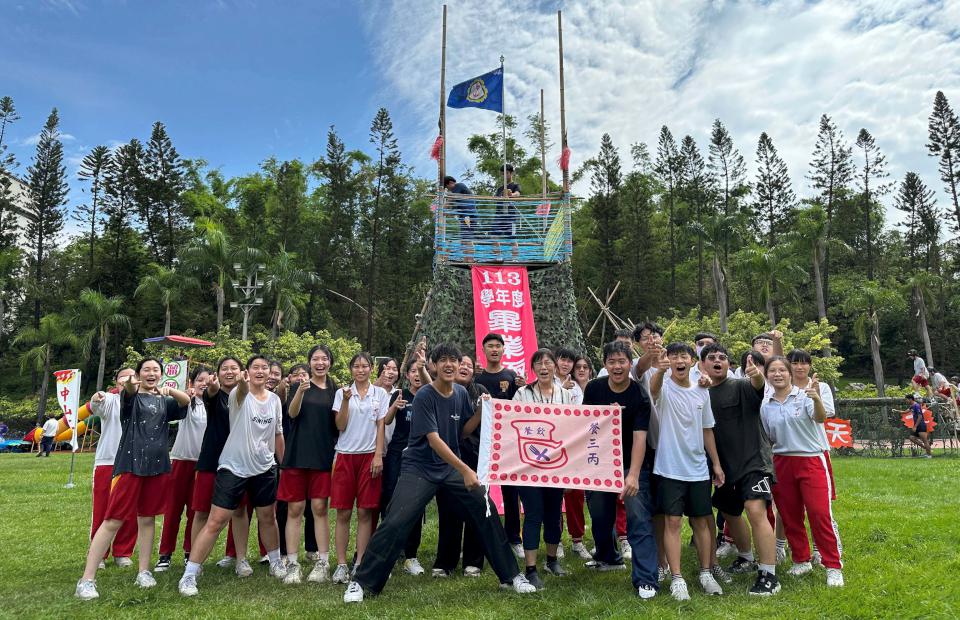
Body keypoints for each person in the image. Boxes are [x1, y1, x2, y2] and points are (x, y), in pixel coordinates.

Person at [342, 343, 537, 603]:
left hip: (448, 468)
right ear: (433, 366)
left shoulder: (459, 393)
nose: (449, 365)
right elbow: (433, 439)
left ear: (459, 365)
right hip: (420, 467)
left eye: (453, 360)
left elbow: (464, 431)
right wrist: (466, 469)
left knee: (486, 509)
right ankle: (361, 582)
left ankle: (511, 576)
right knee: (396, 521)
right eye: (442, 360)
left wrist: (481, 411)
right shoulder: (425, 395)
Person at [76, 358, 190, 600]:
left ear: (161, 375)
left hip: (158, 466)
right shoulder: (129, 399)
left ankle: (144, 571)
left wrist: (170, 390)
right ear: (139, 374)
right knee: (113, 519)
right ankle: (87, 579)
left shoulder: (164, 401)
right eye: (146, 370)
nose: (151, 374)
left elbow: (186, 402)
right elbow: (127, 390)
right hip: (130, 465)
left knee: (147, 519)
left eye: (155, 370)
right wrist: (130, 384)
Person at [178, 355, 286, 597]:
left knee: (268, 517)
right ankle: (190, 574)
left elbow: (278, 434)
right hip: (233, 467)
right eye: (254, 368)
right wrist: (243, 382)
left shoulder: (276, 401)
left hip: (265, 467)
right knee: (216, 520)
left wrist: (283, 463)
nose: (260, 371)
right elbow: (238, 390)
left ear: (270, 372)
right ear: (246, 372)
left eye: (264, 368)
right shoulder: (239, 395)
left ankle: (277, 561)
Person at [700, 344, 781, 596]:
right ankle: (746, 557)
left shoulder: (741, 385)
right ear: (702, 365)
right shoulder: (700, 394)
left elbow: (757, 385)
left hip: (754, 462)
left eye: (722, 358)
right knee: (729, 512)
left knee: (755, 510)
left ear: (728, 364)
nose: (717, 361)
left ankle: (769, 574)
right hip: (723, 466)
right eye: (711, 358)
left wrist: (756, 373)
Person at [583, 340, 658, 600]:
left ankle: (646, 578)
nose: (617, 366)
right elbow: (586, 426)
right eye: (612, 362)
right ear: (605, 365)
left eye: (622, 361)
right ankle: (608, 556)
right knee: (601, 515)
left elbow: (640, 437)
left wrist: (634, 475)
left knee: (639, 519)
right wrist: (606, 416)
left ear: (630, 364)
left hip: (632, 462)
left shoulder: (639, 395)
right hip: (601, 462)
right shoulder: (593, 389)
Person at [649, 343, 725, 600]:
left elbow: (707, 429)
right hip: (669, 467)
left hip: (698, 468)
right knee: (671, 521)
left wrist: (715, 463)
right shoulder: (664, 387)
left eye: (684, 356)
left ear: (693, 361)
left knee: (702, 521)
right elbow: (654, 390)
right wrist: (659, 371)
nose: (679, 360)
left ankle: (705, 572)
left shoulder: (702, 391)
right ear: (668, 360)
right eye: (674, 356)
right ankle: (677, 578)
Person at [761, 356, 844, 588]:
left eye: (782, 370)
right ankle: (801, 559)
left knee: (819, 514)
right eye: (772, 371)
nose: (778, 374)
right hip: (782, 462)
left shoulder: (804, 395)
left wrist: (816, 399)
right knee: (790, 515)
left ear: (790, 373)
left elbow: (820, 417)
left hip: (811, 460)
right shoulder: (766, 405)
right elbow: (768, 438)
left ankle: (833, 566)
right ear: (767, 376)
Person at [510, 349, 573, 589]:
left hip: (557, 467)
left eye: (548, 362)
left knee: (554, 514)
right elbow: (510, 423)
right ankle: (531, 568)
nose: (544, 367)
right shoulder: (521, 393)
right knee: (534, 513)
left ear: (555, 367)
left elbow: (574, 429)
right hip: (528, 466)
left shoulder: (566, 395)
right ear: (533, 368)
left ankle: (552, 560)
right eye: (538, 363)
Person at [277, 345, 339, 584]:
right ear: (309, 362)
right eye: (315, 359)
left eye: (324, 359)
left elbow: (339, 424)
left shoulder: (335, 390)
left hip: (322, 456)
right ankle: (292, 564)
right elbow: (292, 414)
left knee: (320, 509)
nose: (320, 362)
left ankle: (323, 562)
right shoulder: (298, 386)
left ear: (330, 363)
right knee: (294, 509)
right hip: (296, 456)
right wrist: (301, 391)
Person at [191, 357, 257, 574]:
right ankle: (194, 560)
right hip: (211, 459)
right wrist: (212, 387)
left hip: (238, 462)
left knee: (239, 511)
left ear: (241, 372)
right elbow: (210, 393)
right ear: (217, 374)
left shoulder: (248, 396)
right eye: (224, 369)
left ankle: (241, 559)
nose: (229, 372)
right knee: (201, 512)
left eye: (234, 368)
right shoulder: (214, 394)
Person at [330, 352, 388, 583]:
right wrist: (345, 400)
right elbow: (340, 425)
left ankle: (360, 562)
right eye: (356, 366)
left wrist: (378, 456)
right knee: (343, 511)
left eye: (365, 366)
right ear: (351, 369)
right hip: (345, 456)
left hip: (369, 457)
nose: (361, 370)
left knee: (365, 511)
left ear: (372, 369)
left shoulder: (380, 394)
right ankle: (342, 563)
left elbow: (381, 425)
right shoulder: (341, 393)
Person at [434, 353, 489, 576]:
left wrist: (484, 409)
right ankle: (445, 561)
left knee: (476, 505)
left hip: (477, 457)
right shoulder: (443, 393)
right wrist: (478, 413)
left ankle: (473, 561)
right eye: (461, 364)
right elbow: (460, 431)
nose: (464, 367)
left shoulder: (481, 392)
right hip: (448, 457)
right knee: (449, 509)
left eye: (468, 365)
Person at [474, 332, 525, 558]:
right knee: (480, 488)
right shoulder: (477, 379)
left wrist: (524, 387)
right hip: (481, 441)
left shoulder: (512, 376)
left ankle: (514, 537)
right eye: (490, 346)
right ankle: (482, 537)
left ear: (504, 350)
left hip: (508, 441)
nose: (494, 349)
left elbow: (520, 406)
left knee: (510, 490)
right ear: (483, 351)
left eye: (498, 346)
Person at [156, 366, 211, 572]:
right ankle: (165, 554)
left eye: (207, 380)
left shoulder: (214, 403)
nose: (203, 384)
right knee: (173, 510)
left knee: (195, 512)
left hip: (203, 464)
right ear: (192, 383)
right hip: (181, 460)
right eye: (199, 380)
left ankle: (191, 552)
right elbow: (180, 401)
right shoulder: (187, 403)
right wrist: (182, 393)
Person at [381, 358, 427, 577]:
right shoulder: (398, 395)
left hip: (420, 458)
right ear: (406, 375)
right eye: (412, 371)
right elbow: (386, 421)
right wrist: (393, 407)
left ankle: (411, 555)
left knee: (416, 506)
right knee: (390, 503)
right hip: (397, 455)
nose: (417, 375)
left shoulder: (429, 396)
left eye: (420, 371)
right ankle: (387, 554)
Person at [88, 368, 138, 568]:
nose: (127, 380)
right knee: (102, 509)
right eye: (122, 377)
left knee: (130, 511)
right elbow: (96, 404)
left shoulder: (143, 400)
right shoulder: (110, 400)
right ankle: (99, 554)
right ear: (116, 381)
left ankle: (123, 552)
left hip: (134, 463)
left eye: (131, 376)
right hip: (107, 462)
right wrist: (96, 397)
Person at [565, 355, 594, 560]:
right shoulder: (566, 390)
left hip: (594, 447)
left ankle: (609, 538)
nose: (582, 370)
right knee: (572, 493)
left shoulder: (598, 387)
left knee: (598, 495)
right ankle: (576, 540)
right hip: (572, 448)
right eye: (578, 367)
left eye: (585, 367)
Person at [443, 175, 479, 258]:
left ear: (451, 183)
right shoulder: (460, 196)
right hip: (469, 216)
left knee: (467, 239)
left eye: (447, 187)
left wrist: (440, 209)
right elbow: (454, 209)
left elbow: (450, 199)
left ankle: (470, 259)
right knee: (464, 239)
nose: (449, 190)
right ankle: (467, 258)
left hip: (468, 216)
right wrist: (445, 212)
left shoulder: (458, 186)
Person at [493, 164, 521, 260]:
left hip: (510, 216)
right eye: (502, 174)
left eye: (507, 173)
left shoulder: (515, 185)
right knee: (494, 236)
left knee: (513, 238)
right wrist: (501, 196)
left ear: (511, 173)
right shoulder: (500, 188)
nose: (504, 176)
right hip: (499, 216)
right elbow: (495, 199)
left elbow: (517, 194)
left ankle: (515, 260)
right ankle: (498, 257)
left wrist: (511, 194)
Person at [901, 394, 932, 458]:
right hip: (917, 425)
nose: (905, 401)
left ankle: (929, 455)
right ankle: (926, 448)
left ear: (910, 399)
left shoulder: (916, 405)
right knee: (911, 438)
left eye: (906, 400)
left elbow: (920, 417)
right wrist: (896, 411)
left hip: (921, 425)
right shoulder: (912, 406)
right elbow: (905, 412)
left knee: (925, 441)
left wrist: (915, 426)